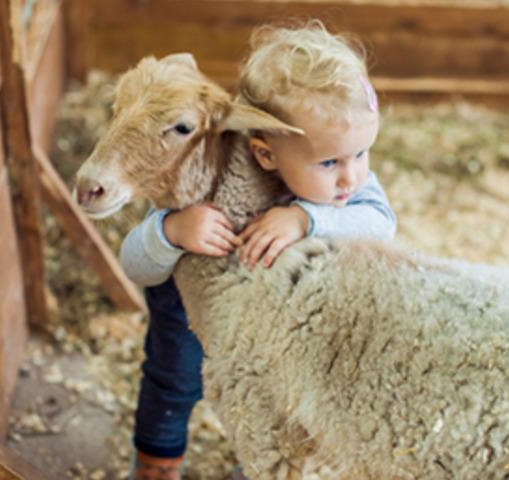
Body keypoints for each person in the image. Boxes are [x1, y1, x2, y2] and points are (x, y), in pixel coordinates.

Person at [121, 21, 396, 480]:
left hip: (276, 331)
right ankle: (156, 464)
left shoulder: (345, 193)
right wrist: (171, 230)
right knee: (172, 385)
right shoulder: (210, 175)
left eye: (363, 153)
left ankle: (258, 467)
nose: (352, 177)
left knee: (276, 399)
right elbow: (135, 264)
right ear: (265, 155)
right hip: (190, 320)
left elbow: (381, 226)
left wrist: (307, 218)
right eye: (330, 162)